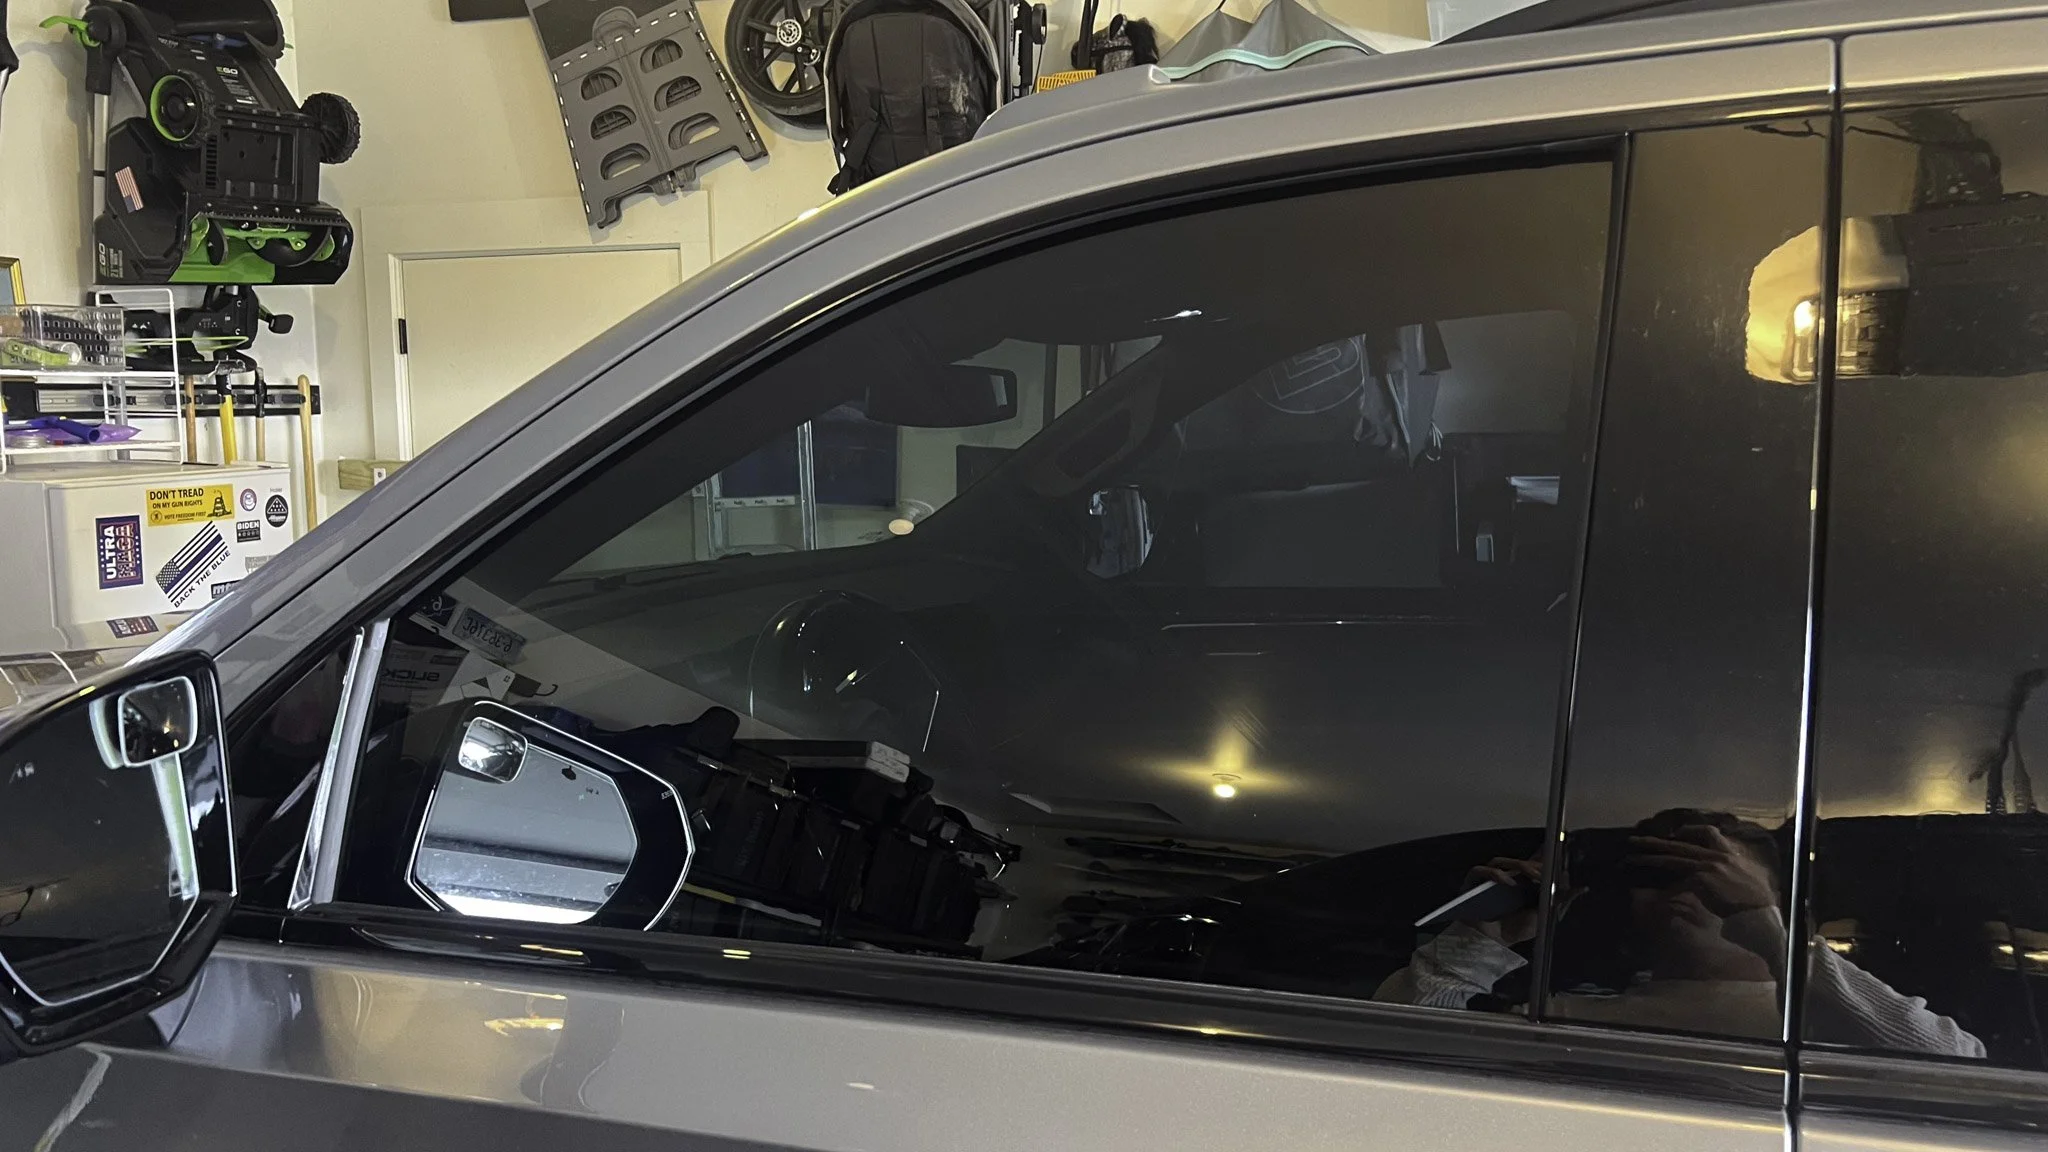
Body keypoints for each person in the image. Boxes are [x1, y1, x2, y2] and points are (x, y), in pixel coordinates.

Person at [1375, 809, 1985, 1058]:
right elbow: (1399, 1042)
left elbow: (1955, 1062)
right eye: (1660, 877)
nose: (1683, 894)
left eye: (1712, 878)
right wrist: (1487, 936)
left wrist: (1775, 936)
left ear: (1771, 900)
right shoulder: (1563, 1009)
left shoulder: (1822, 1016)